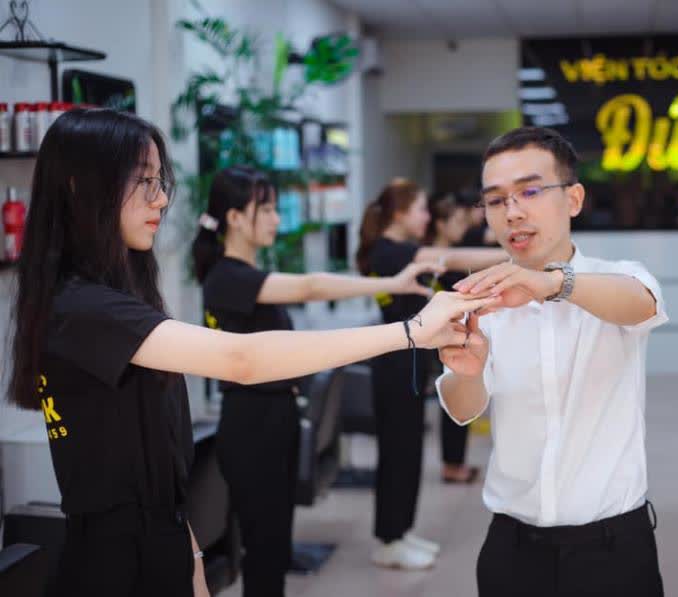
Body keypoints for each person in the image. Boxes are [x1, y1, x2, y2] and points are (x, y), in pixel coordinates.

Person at [9, 108, 496, 597]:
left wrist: (190, 551)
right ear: (80, 187)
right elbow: (243, 359)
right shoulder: (83, 308)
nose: (159, 199)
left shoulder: (110, 300)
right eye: (143, 182)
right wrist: (409, 331)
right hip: (115, 565)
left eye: (160, 182)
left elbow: (154, 464)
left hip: (160, 546)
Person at [192, 166, 444, 597]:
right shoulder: (228, 278)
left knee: (273, 548)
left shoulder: (243, 276)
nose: (276, 218)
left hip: (276, 418)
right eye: (265, 209)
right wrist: (387, 283)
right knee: (265, 550)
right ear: (234, 217)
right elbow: (310, 286)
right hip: (253, 424)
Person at [438, 127, 667, 596]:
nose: (513, 212)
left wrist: (550, 284)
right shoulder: (482, 304)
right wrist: (470, 370)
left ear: (574, 199)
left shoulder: (620, 277)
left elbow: (641, 305)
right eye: (496, 200)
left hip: (614, 550)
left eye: (531, 191)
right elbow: (463, 409)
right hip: (514, 550)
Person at [356, 179, 508, 570]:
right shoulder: (392, 252)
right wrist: (515, 254)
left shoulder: (394, 250)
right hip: (393, 360)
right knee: (398, 452)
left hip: (404, 359)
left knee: (407, 451)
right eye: (421, 209)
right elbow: (452, 257)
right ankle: (389, 539)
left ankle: (400, 533)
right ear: (399, 214)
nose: (427, 217)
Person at [425, 193, 481, 484]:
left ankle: (455, 462)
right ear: (440, 224)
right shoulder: (434, 261)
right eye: (457, 221)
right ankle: (452, 464)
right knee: (452, 398)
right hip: (441, 342)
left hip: (452, 338)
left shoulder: (450, 255)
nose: (462, 226)